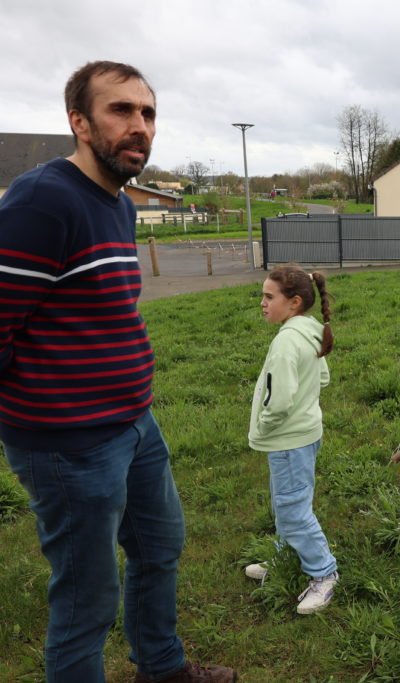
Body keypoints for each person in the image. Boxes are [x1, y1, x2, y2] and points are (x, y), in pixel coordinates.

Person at [0, 62, 235, 682]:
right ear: (79, 122)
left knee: (160, 549)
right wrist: (41, 413)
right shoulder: (41, 201)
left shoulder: (119, 205)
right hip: (69, 443)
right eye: (121, 110)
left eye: (148, 113)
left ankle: (161, 669)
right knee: (86, 602)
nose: (139, 126)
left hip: (134, 425)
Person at [244, 265, 339, 614]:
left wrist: (265, 427)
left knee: (294, 510)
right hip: (304, 435)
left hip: (288, 439)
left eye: (270, 297)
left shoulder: (286, 340)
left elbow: (279, 402)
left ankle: (324, 574)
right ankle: (287, 557)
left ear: (294, 302)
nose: (262, 303)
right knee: (287, 502)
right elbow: (322, 378)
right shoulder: (311, 331)